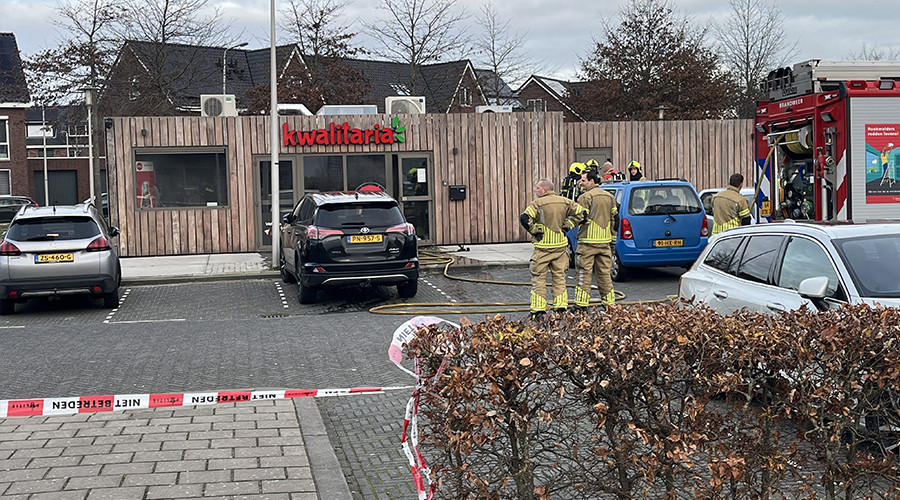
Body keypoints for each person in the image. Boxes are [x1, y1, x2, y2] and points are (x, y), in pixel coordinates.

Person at [520, 178, 585, 320]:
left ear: (544, 190)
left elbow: (524, 218)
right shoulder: (565, 201)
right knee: (559, 277)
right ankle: (561, 309)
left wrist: (535, 230)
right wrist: (568, 225)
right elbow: (583, 214)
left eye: (537, 188)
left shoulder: (537, 203)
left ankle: (538, 311)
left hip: (543, 248)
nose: (536, 190)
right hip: (560, 247)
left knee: (538, 279)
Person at [574, 168, 618, 309]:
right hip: (604, 243)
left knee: (583, 275)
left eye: (583, 180)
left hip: (587, 243)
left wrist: (565, 225)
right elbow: (615, 219)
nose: (581, 183)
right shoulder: (609, 197)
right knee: (605, 275)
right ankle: (609, 304)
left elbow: (581, 218)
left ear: (591, 181)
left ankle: (581, 305)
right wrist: (613, 240)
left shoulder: (585, 197)